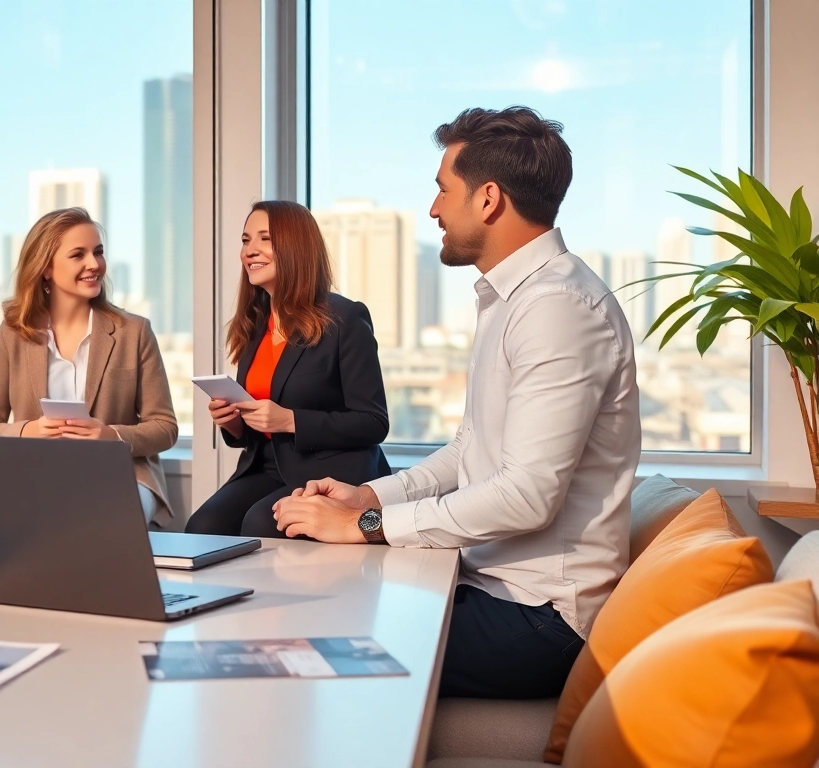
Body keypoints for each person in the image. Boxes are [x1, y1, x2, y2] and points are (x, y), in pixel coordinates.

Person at [273, 106, 641, 700]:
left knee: (305, 640)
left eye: (444, 190)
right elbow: (472, 450)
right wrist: (370, 497)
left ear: (488, 198)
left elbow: (526, 497)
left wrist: (366, 526)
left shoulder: (558, 308)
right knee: (303, 596)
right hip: (490, 585)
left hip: (539, 618)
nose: (434, 208)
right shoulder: (512, 299)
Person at [186, 200, 391, 538]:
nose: (250, 250)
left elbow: (374, 422)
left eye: (264, 239)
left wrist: (290, 420)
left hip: (331, 471)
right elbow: (255, 430)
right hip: (268, 467)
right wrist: (234, 421)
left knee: (261, 524)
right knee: (203, 527)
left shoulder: (345, 319)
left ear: (295, 247)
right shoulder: (256, 325)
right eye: (245, 240)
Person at [0, 207, 178, 528]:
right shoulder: (13, 333)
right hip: (36, 473)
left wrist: (112, 435)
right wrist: (28, 431)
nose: (94, 264)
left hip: (122, 474)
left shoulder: (134, 331)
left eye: (98, 252)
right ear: (46, 268)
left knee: (104, 518)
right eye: (78, 255)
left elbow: (165, 427)